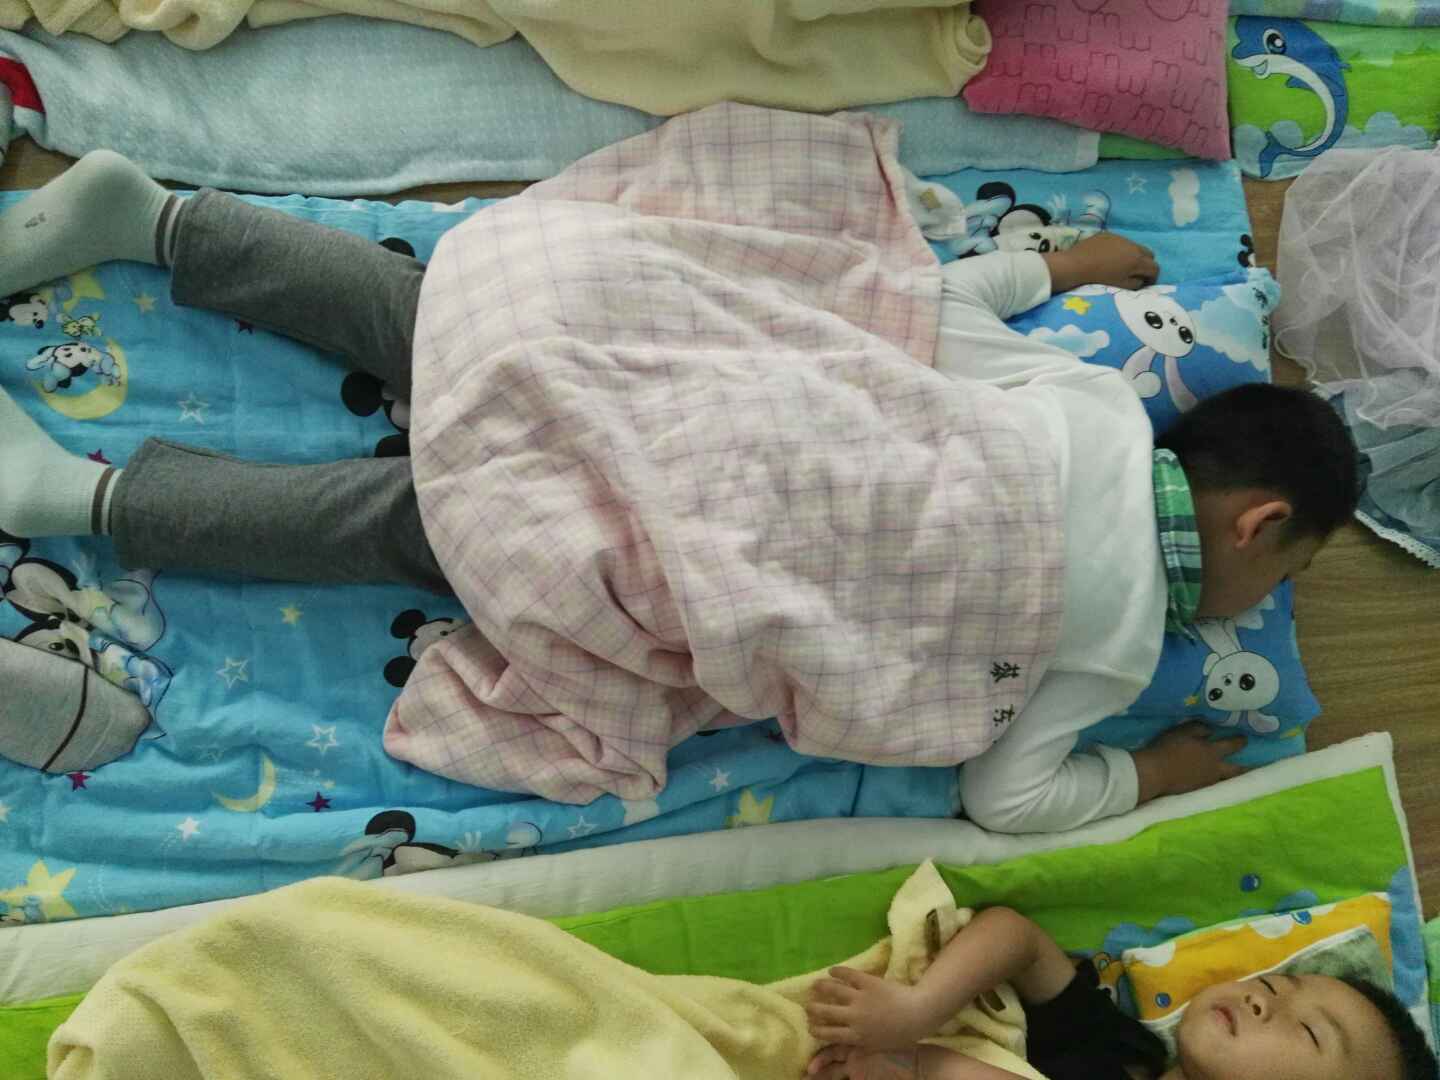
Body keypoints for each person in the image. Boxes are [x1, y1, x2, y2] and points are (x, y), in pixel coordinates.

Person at [0, 145, 1358, 821]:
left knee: (435, 323)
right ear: (1260, 523)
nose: (1254, 613)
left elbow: (927, 310)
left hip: (668, 393)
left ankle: (158, 219)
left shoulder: (1090, 407)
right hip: (652, 536)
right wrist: (1145, 776)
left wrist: (1057, 268)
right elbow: (1007, 799)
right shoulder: (1116, 652)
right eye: (1280, 580)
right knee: (406, 527)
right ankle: (83, 499)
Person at [803, 904, 1438, 1080]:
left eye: (1309, 1032)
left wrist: (915, 1065)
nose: (1262, 998)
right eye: (1274, 984)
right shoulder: (1117, 1050)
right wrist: (915, 1012)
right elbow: (1017, 939)